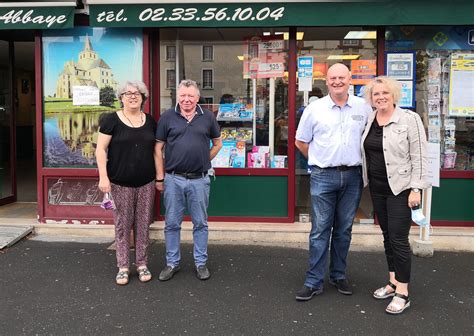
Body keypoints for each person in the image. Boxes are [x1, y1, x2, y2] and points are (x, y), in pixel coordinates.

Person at [294, 63, 372, 301]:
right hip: (323, 176)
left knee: (344, 229)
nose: (337, 81)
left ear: (350, 80)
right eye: (333, 78)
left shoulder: (364, 107)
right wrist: (319, 161)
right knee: (319, 230)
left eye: (342, 77)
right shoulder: (314, 109)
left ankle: (338, 275)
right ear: (326, 81)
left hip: (352, 176)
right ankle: (313, 281)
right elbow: (301, 141)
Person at [361, 76, 430, 314]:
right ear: (371, 98)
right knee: (387, 236)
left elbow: (420, 157)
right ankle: (392, 281)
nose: (380, 97)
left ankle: (403, 292)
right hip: (378, 188)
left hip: (401, 188)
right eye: (376, 94)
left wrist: (416, 188)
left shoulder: (409, 119)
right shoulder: (371, 118)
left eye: (385, 93)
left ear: (394, 95)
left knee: (399, 240)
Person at [155, 79, 223, 281]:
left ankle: (201, 263)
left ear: (197, 97)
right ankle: (172, 263)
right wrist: (160, 178)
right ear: (178, 97)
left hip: (199, 180)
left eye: (190, 96)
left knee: (200, 223)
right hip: (173, 179)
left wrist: (204, 159)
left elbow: (218, 143)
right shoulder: (167, 117)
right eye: (183, 96)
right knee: (172, 223)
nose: (186, 100)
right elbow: (158, 149)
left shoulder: (208, 117)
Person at [96, 80, 157, 285]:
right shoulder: (111, 120)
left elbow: (156, 152)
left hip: (146, 183)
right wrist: (103, 177)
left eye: (137, 93)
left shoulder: (150, 121)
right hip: (120, 182)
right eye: (127, 93)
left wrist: (159, 178)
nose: (132, 96)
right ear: (121, 97)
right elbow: (100, 149)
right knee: (122, 225)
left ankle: (141, 263)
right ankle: (123, 266)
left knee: (143, 226)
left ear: (143, 98)